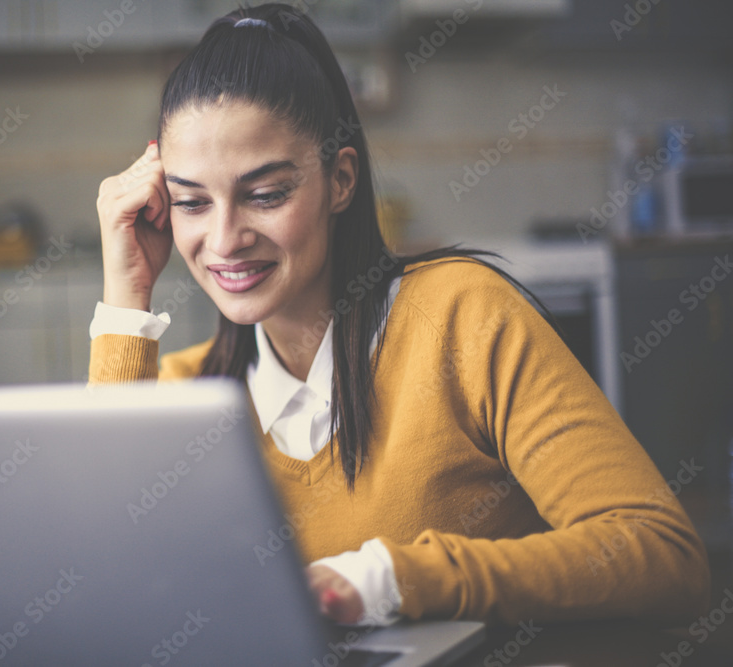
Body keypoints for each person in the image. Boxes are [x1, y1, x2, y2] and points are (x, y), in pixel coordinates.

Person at [89, 3, 709, 628]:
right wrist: (125, 291)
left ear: (340, 180)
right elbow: (101, 591)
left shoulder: (462, 317)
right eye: (191, 203)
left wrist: (394, 579)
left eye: (267, 194)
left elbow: (664, 557)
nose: (223, 240)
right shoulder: (188, 397)